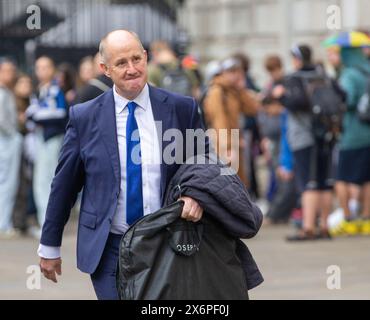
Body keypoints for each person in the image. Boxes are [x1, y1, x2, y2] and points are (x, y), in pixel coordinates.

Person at [38, 30, 208, 300]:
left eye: (136, 59)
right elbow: (65, 184)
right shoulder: (85, 117)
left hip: (167, 242)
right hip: (109, 248)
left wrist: (194, 194)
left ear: (146, 58)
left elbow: (203, 162)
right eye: (121, 63)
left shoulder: (181, 108)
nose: (132, 69)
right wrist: (49, 244)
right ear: (105, 69)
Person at [272, 45, 339, 240]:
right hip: (327, 134)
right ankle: (325, 227)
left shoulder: (294, 78)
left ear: (297, 58)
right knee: (325, 182)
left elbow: (297, 102)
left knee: (307, 183)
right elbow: (341, 96)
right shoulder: (324, 75)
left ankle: (308, 228)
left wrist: (281, 96)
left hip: (304, 137)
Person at [26, 56, 68, 233]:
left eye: (45, 67)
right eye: (39, 67)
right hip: (41, 139)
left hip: (52, 139)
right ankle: (46, 222)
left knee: (48, 181)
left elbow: (61, 112)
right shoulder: (40, 90)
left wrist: (37, 115)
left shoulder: (55, 90)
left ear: (52, 69)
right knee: (40, 181)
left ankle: (48, 224)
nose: (42, 71)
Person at [331, 46, 370, 236]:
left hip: (352, 135)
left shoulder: (349, 74)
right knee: (366, 179)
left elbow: (346, 101)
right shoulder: (367, 69)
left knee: (342, 178)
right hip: (368, 132)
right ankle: (366, 219)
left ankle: (348, 219)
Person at [203, 57, 259, 186]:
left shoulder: (234, 91)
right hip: (222, 143)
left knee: (238, 184)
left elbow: (252, 108)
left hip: (234, 141)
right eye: (231, 72)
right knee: (227, 184)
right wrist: (227, 147)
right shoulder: (217, 91)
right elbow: (219, 120)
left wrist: (242, 89)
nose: (235, 75)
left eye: (237, 71)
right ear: (223, 73)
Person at [0, 58, 22, 238]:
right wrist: (13, 134)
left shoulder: (7, 92)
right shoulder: (2, 93)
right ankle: (3, 223)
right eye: (6, 70)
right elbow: (2, 120)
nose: (11, 74)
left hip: (6, 140)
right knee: (7, 183)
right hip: (6, 142)